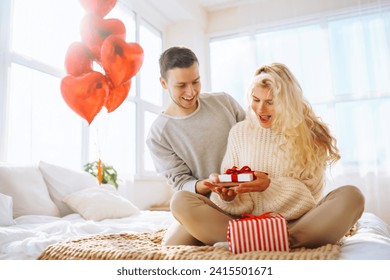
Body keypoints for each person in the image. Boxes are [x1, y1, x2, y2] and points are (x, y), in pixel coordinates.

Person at [167, 62, 365, 249]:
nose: (260, 109)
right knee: (180, 201)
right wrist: (228, 196)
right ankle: (277, 242)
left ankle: (245, 241)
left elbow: (309, 200)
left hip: (292, 223)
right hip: (241, 221)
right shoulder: (240, 132)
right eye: (256, 100)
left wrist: (270, 186)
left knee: (352, 196)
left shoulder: (310, 136)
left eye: (270, 102)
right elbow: (230, 200)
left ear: (288, 102)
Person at [146, 46, 246, 244]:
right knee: (172, 243)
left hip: (249, 192)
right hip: (210, 206)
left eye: (196, 81)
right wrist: (211, 185)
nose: (191, 92)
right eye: (181, 85)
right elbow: (182, 183)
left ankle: (238, 237)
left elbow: (255, 139)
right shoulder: (158, 134)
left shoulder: (224, 102)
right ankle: (248, 236)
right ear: (163, 83)